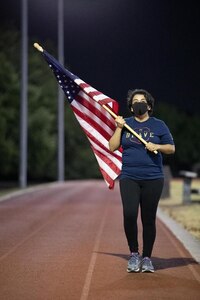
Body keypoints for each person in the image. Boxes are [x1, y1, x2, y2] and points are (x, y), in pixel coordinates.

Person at [109, 89, 175, 273]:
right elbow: (112, 146)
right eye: (135, 101)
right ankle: (133, 254)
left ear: (149, 105)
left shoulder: (159, 125)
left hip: (153, 178)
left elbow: (171, 148)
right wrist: (119, 127)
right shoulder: (125, 124)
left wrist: (157, 146)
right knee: (129, 214)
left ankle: (146, 258)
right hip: (129, 176)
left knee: (148, 218)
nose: (139, 103)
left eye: (142, 100)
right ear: (131, 107)